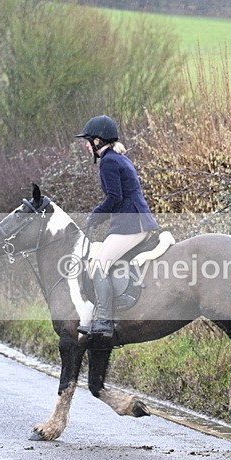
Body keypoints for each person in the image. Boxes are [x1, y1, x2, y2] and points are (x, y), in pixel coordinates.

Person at [75, 115, 159, 338]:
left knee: (97, 267)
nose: (86, 145)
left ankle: (104, 320)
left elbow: (114, 197)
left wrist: (95, 216)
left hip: (131, 224)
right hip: (133, 220)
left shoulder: (109, 162)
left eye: (88, 140)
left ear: (98, 141)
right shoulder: (118, 158)